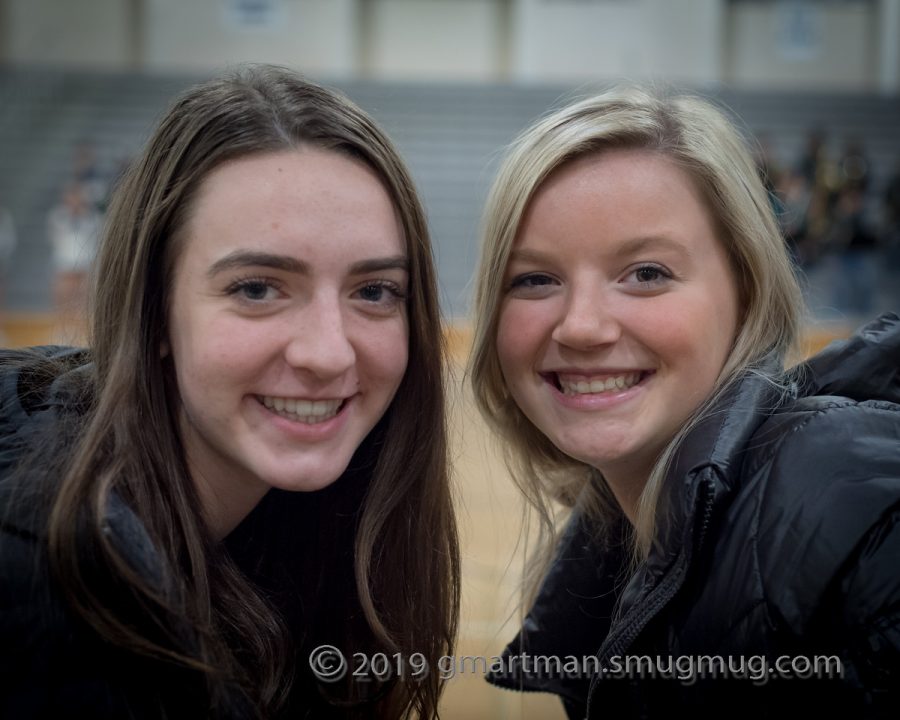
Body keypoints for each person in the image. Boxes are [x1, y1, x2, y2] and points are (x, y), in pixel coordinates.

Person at [0, 65, 459, 719]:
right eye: (256, 288)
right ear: (155, 312)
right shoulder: (44, 595)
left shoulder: (304, 525)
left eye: (374, 291)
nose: (328, 353)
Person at [469, 87, 900, 717]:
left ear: (747, 292)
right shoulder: (614, 543)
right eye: (535, 279)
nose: (580, 326)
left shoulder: (857, 513)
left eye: (647, 273)